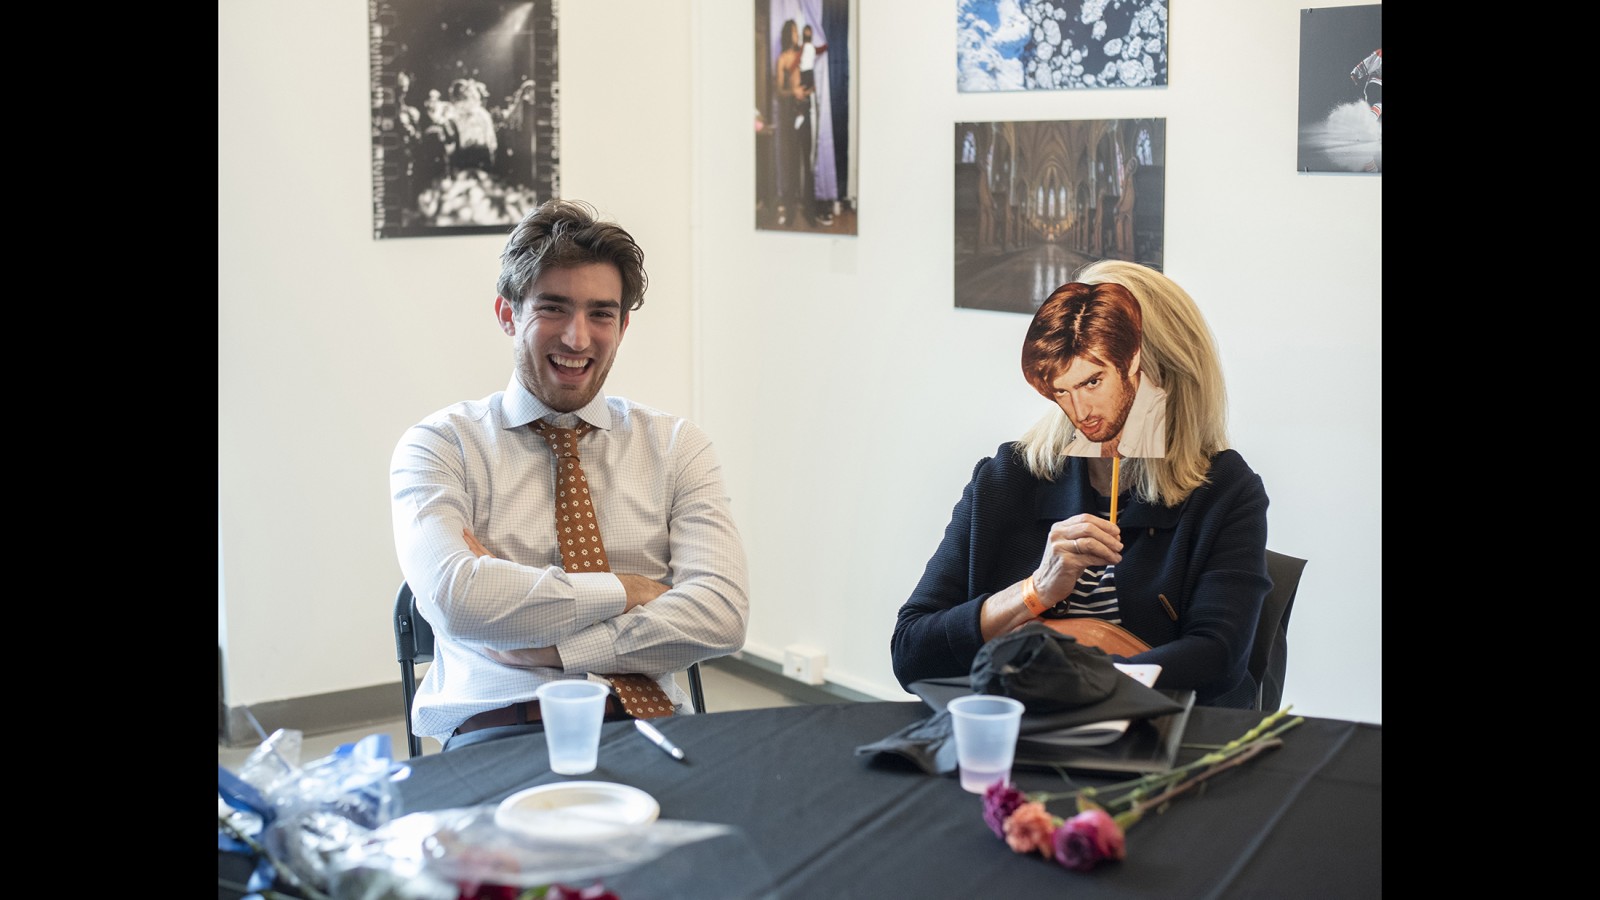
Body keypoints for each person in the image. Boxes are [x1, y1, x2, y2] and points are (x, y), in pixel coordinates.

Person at [390, 198, 751, 750]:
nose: (577, 338)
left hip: (650, 722)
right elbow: (457, 599)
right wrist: (628, 591)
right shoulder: (441, 446)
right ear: (508, 314)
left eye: (601, 313)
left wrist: (556, 649)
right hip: (501, 723)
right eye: (553, 308)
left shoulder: (678, 447)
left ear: (623, 325)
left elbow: (722, 614)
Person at [890, 260, 1270, 708]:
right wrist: (1034, 591)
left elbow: (1219, 658)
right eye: (1066, 387)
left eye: (1095, 380)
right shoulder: (1007, 477)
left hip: (1156, 736)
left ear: (1162, 373)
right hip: (1014, 730)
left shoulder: (1223, 489)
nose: (1082, 409)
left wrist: (1069, 684)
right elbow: (912, 652)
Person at [1022, 278, 1166, 459]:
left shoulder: (1173, 441)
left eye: (1092, 382)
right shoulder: (1009, 472)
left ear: (1131, 360)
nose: (1081, 414)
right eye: (1061, 391)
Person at [773, 20, 813, 228]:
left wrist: (806, 92)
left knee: (806, 160)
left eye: (798, 31)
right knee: (789, 162)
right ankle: (789, 211)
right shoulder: (782, 59)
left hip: (804, 110)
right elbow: (779, 91)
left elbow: (810, 82)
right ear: (787, 34)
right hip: (789, 113)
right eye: (794, 31)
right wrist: (792, 93)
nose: (796, 34)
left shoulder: (804, 55)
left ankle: (810, 211)